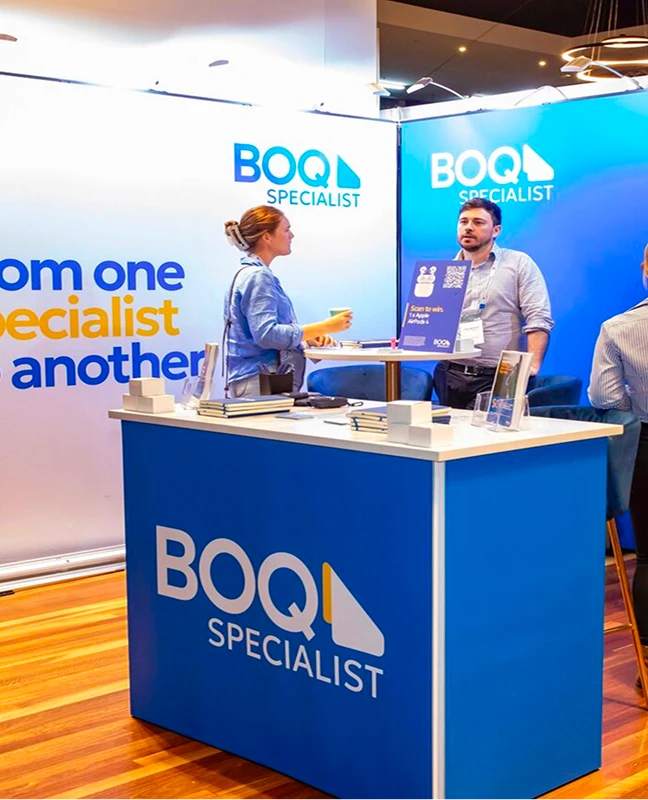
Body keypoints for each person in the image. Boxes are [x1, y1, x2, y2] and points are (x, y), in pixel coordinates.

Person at [588, 243, 648, 676]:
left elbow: (605, 397)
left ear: (645, 269)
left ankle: (646, 662)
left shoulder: (617, 328)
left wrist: (637, 407)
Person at [433, 198, 554, 409]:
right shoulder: (448, 271)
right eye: (463, 221)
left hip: (498, 375)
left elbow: (539, 317)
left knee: (484, 430)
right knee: (448, 430)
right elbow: (436, 319)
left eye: (478, 222)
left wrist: (532, 365)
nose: (468, 227)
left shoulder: (518, 263)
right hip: (449, 372)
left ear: (496, 230)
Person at [223, 205, 352, 397]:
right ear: (267, 237)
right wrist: (325, 327)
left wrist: (305, 339)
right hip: (261, 383)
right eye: (286, 230)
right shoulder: (259, 276)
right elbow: (267, 334)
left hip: (257, 381)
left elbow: (259, 333)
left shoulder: (249, 274)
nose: (291, 236)